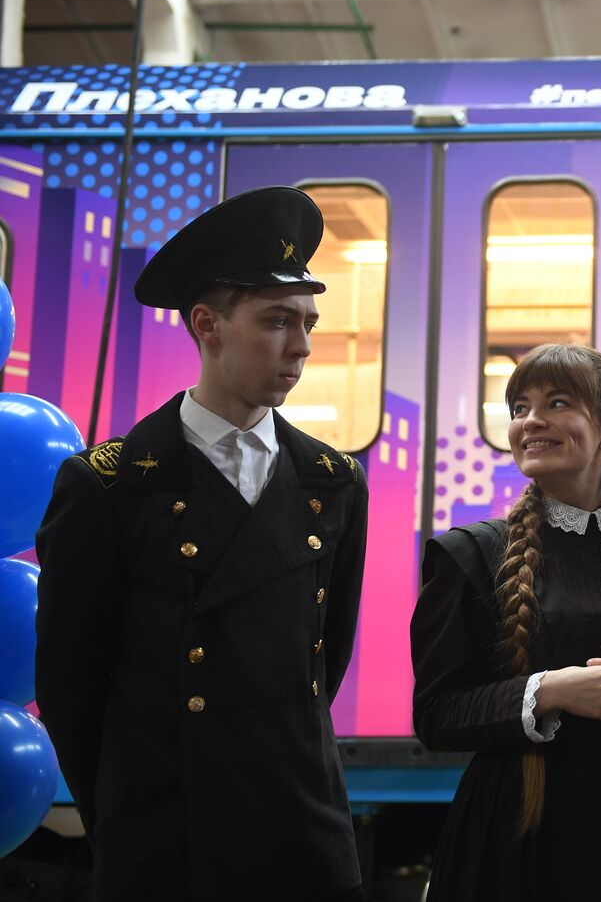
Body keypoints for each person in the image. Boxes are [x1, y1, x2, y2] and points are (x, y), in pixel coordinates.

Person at [34, 186, 368, 900]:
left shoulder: (334, 482)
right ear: (208, 324)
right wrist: (130, 816)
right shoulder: (108, 487)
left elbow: (318, 667)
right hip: (170, 843)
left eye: (308, 321)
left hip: (303, 834)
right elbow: (71, 689)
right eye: (277, 321)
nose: (302, 346)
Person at [411, 343, 601, 901]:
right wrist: (550, 691)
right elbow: (435, 715)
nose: (531, 421)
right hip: (520, 844)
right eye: (520, 407)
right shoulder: (471, 556)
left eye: (556, 402)